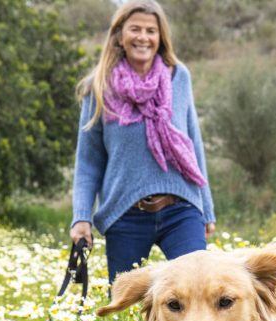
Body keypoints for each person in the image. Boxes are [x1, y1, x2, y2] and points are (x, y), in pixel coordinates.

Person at [70, 0, 216, 284]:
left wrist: (207, 209)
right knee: (124, 306)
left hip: (181, 208)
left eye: (151, 30)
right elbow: (88, 162)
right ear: (119, 36)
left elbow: (193, 146)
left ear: (160, 38)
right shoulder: (98, 86)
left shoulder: (178, 77)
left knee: (198, 290)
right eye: (135, 29)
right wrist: (80, 217)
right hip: (126, 215)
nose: (143, 37)